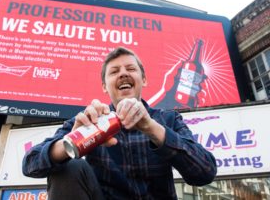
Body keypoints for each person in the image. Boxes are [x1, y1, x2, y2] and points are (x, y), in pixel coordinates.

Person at [22, 47, 217, 200]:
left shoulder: (168, 119)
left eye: (131, 69)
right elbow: (30, 164)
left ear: (144, 80)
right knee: (69, 166)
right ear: (104, 87)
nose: (123, 74)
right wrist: (72, 142)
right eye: (114, 71)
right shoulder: (88, 121)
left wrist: (151, 128)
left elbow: (204, 172)